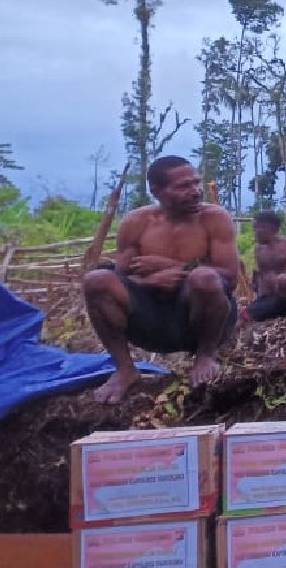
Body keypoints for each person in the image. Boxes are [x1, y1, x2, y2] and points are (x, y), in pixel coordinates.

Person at [83, 156, 240, 403]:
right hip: (149, 322)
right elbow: (122, 275)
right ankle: (125, 369)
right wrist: (149, 282)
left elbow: (230, 277)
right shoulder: (136, 222)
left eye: (196, 183)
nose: (196, 191)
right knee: (96, 280)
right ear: (157, 191)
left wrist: (174, 268)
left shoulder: (214, 219)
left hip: (198, 320)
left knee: (205, 277)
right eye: (183, 186)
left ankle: (205, 357)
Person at [245, 212, 286, 322]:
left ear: (271, 228)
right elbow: (262, 278)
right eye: (254, 228)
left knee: (284, 279)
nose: (255, 232)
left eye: (258, 228)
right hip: (272, 299)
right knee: (243, 316)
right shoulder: (259, 250)